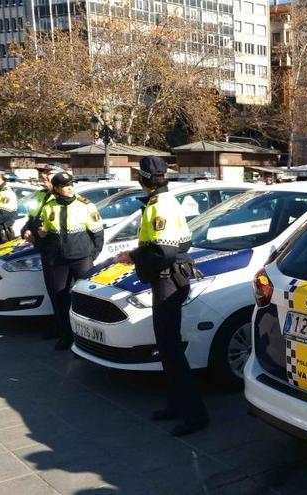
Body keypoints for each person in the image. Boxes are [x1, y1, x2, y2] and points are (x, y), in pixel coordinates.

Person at [116, 155, 209, 437]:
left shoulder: (161, 206)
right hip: (166, 281)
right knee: (167, 348)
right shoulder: (162, 202)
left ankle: (196, 415)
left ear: (143, 179)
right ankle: (175, 404)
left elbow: (165, 251)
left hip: (168, 282)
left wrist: (131, 256)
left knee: (170, 349)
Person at [36, 172, 103, 350]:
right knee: (59, 298)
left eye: (72, 184)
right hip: (58, 260)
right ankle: (66, 335)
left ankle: (91, 339)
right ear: (57, 189)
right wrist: (41, 233)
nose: (70, 187)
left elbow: (97, 233)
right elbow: (46, 231)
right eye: (66, 185)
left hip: (81, 258)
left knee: (85, 298)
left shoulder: (85, 205)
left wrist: (91, 255)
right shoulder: (49, 206)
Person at [22, 163, 64, 243]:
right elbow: (32, 219)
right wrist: (26, 230)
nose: (43, 176)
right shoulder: (42, 195)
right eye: (43, 173)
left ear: (60, 176)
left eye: (48, 173)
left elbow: (69, 231)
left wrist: (48, 233)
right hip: (40, 247)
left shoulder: (66, 197)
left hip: (56, 249)